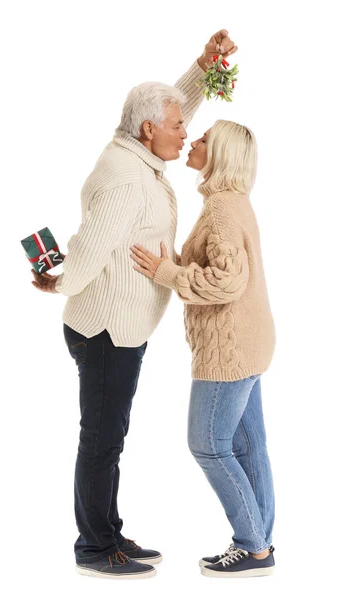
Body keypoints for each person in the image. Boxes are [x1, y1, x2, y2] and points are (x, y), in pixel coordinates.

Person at [31, 31, 238, 579]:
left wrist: (204, 65)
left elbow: (174, 106)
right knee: (101, 439)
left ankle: (108, 531)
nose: (185, 133)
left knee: (109, 435)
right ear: (149, 131)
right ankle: (94, 548)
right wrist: (56, 282)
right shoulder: (125, 179)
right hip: (104, 332)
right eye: (176, 127)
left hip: (122, 329)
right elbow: (90, 251)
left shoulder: (138, 146)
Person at [130, 120, 276, 578]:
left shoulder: (221, 212)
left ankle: (254, 548)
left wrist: (165, 272)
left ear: (221, 156)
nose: (193, 141)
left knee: (208, 444)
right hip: (251, 343)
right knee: (250, 448)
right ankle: (260, 545)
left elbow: (226, 281)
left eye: (205, 140)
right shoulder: (230, 202)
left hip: (227, 351)